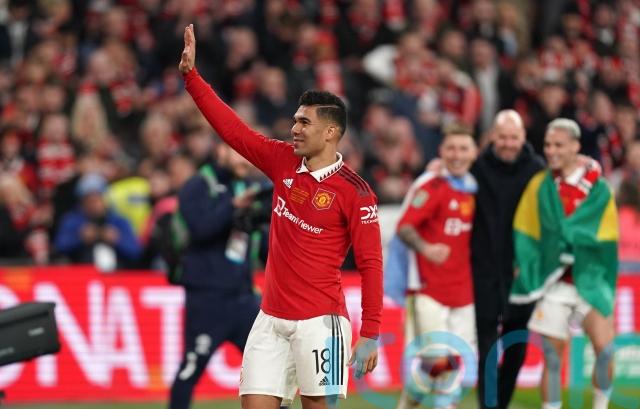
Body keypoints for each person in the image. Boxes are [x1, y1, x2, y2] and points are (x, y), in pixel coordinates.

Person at [178, 24, 382, 409]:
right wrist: (192, 78)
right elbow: (234, 132)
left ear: (330, 132)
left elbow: (371, 263)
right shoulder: (282, 161)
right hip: (270, 320)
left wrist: (370, 331)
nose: (294, 129)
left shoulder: (356, 193)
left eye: (304, 122)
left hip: (321, 324)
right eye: (295, 120)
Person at [510, 119, 618, 409]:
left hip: (590, 280)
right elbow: (526, 230)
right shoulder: (540, 185)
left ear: (575, 147)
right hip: (553, 282)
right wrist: (529, 263)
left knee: (605, 350)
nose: (551, 150)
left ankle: (600, 406)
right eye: (547, 145)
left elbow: (607, 233)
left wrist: (571, 239)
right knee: (553, 357)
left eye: (558, 145)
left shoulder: (598, 188)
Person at [388, 123, 478, 409]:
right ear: (441, 151)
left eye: (463, 149)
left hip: (464, 292)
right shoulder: (432, 186)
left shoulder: (476, 189)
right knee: (438, 362)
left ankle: (408, 403)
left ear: (474, 153)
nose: (457, 155)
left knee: (452, 362)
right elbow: (404, 227)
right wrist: (426, 248)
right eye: (451, 148)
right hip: (428, 289)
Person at [168, 149, 265, 409]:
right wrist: (233, 207)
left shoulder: (247, 186)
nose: (246, 159)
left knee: (269, 367)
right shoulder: (198, 186)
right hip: (207, 297)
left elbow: (260, 243)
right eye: (239, 152)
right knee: (192, 366)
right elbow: (200, 229)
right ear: (222, 151)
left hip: (243, 297)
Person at [471, 110, 545, 409]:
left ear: (523, 138)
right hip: (484, 272)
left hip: (521, 274)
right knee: (487, 349)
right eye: (502, 137)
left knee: (516, 348)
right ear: (493, 137)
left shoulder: (537, 170)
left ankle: (500, 403)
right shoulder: (476, 167)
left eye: (513, 137)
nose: (508, 143)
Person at [54, 172, 142, 272]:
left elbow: (136, 251)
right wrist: (79, 238)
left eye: (97, 199)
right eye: (89, 200)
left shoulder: (118, 221)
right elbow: (59, 246)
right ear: (82, 202)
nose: (94, 205)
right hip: (82, 273)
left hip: (117, 274)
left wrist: (117, 240)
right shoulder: (72, 220)